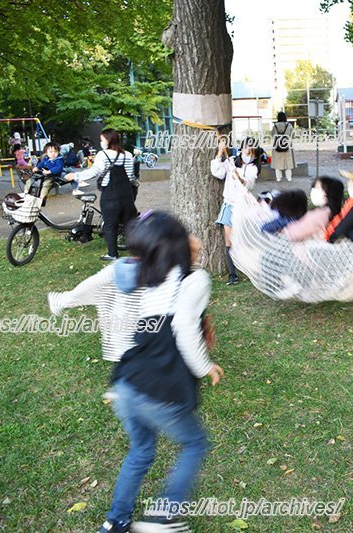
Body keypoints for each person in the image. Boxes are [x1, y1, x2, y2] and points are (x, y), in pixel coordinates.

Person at [97, 211, 223, 533]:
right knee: (195, 444)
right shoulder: (194, 280)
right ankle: (165, 517)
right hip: (158, 389)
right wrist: (204, 366)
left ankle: (116, 521)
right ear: (178, 244)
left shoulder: (151, 278)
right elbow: (183, 326)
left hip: (127, 385)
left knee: (140, 451)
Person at [65, 129, 137, 261]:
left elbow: (94, 172)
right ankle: (139, 251)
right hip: (127, 194)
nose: (101, 142)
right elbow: (131, 176)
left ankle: (112, 254)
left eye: (102, 140)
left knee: (110, 225)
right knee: (129, 224)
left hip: (110, 195)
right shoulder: (127, 154)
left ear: (108, 140)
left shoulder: (102, 154)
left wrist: (75, 176)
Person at [212, 137, 260, 285]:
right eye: (246, 149)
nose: (248, 153)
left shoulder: (253, 168)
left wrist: (238, 176)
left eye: (252, 152)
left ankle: (252, 268)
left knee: (245, 239)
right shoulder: (231, 161)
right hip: (229, 205)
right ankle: (232, 275)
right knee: (229, 241)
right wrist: (220, 152)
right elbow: (217, 172)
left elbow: (248, 184)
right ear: (241, 149)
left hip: (244, 207)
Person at [284, 177, 345, 242]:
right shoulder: (329, 212)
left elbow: (295, 234)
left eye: (318, 188)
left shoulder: (320, 215)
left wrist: (285, 230)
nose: (313, 190)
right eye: (314, 187)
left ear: (328, 194)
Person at [271, 111, 295, 182]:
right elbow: (293, 134)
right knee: (288, 163)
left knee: (277, 162)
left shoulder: (275, 126)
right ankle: (289, 178)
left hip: (277, 145)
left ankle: (278, 178)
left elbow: (272, 135)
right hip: (287, 145)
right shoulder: (289, 125)